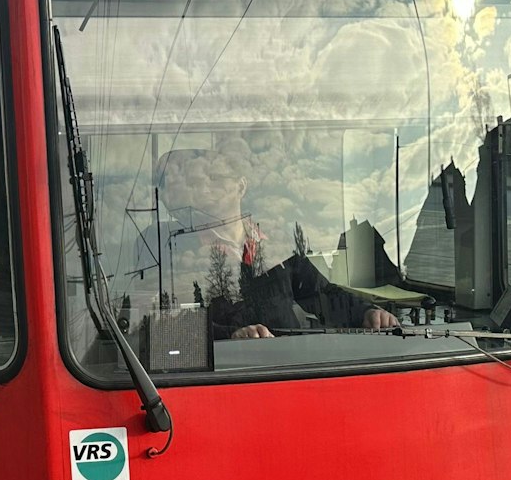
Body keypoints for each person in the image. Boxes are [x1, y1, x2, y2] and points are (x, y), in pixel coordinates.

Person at [154, 142, 397, 340]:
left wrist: (368, 312)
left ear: (241, 186)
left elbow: (323, 292)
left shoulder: (278, 246)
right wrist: (233, 336)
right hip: (226, 373)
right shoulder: (178, 247)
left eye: (216, 178)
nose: (207, 186)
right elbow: (175, 321)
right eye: (201, 181)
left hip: (290, 365)